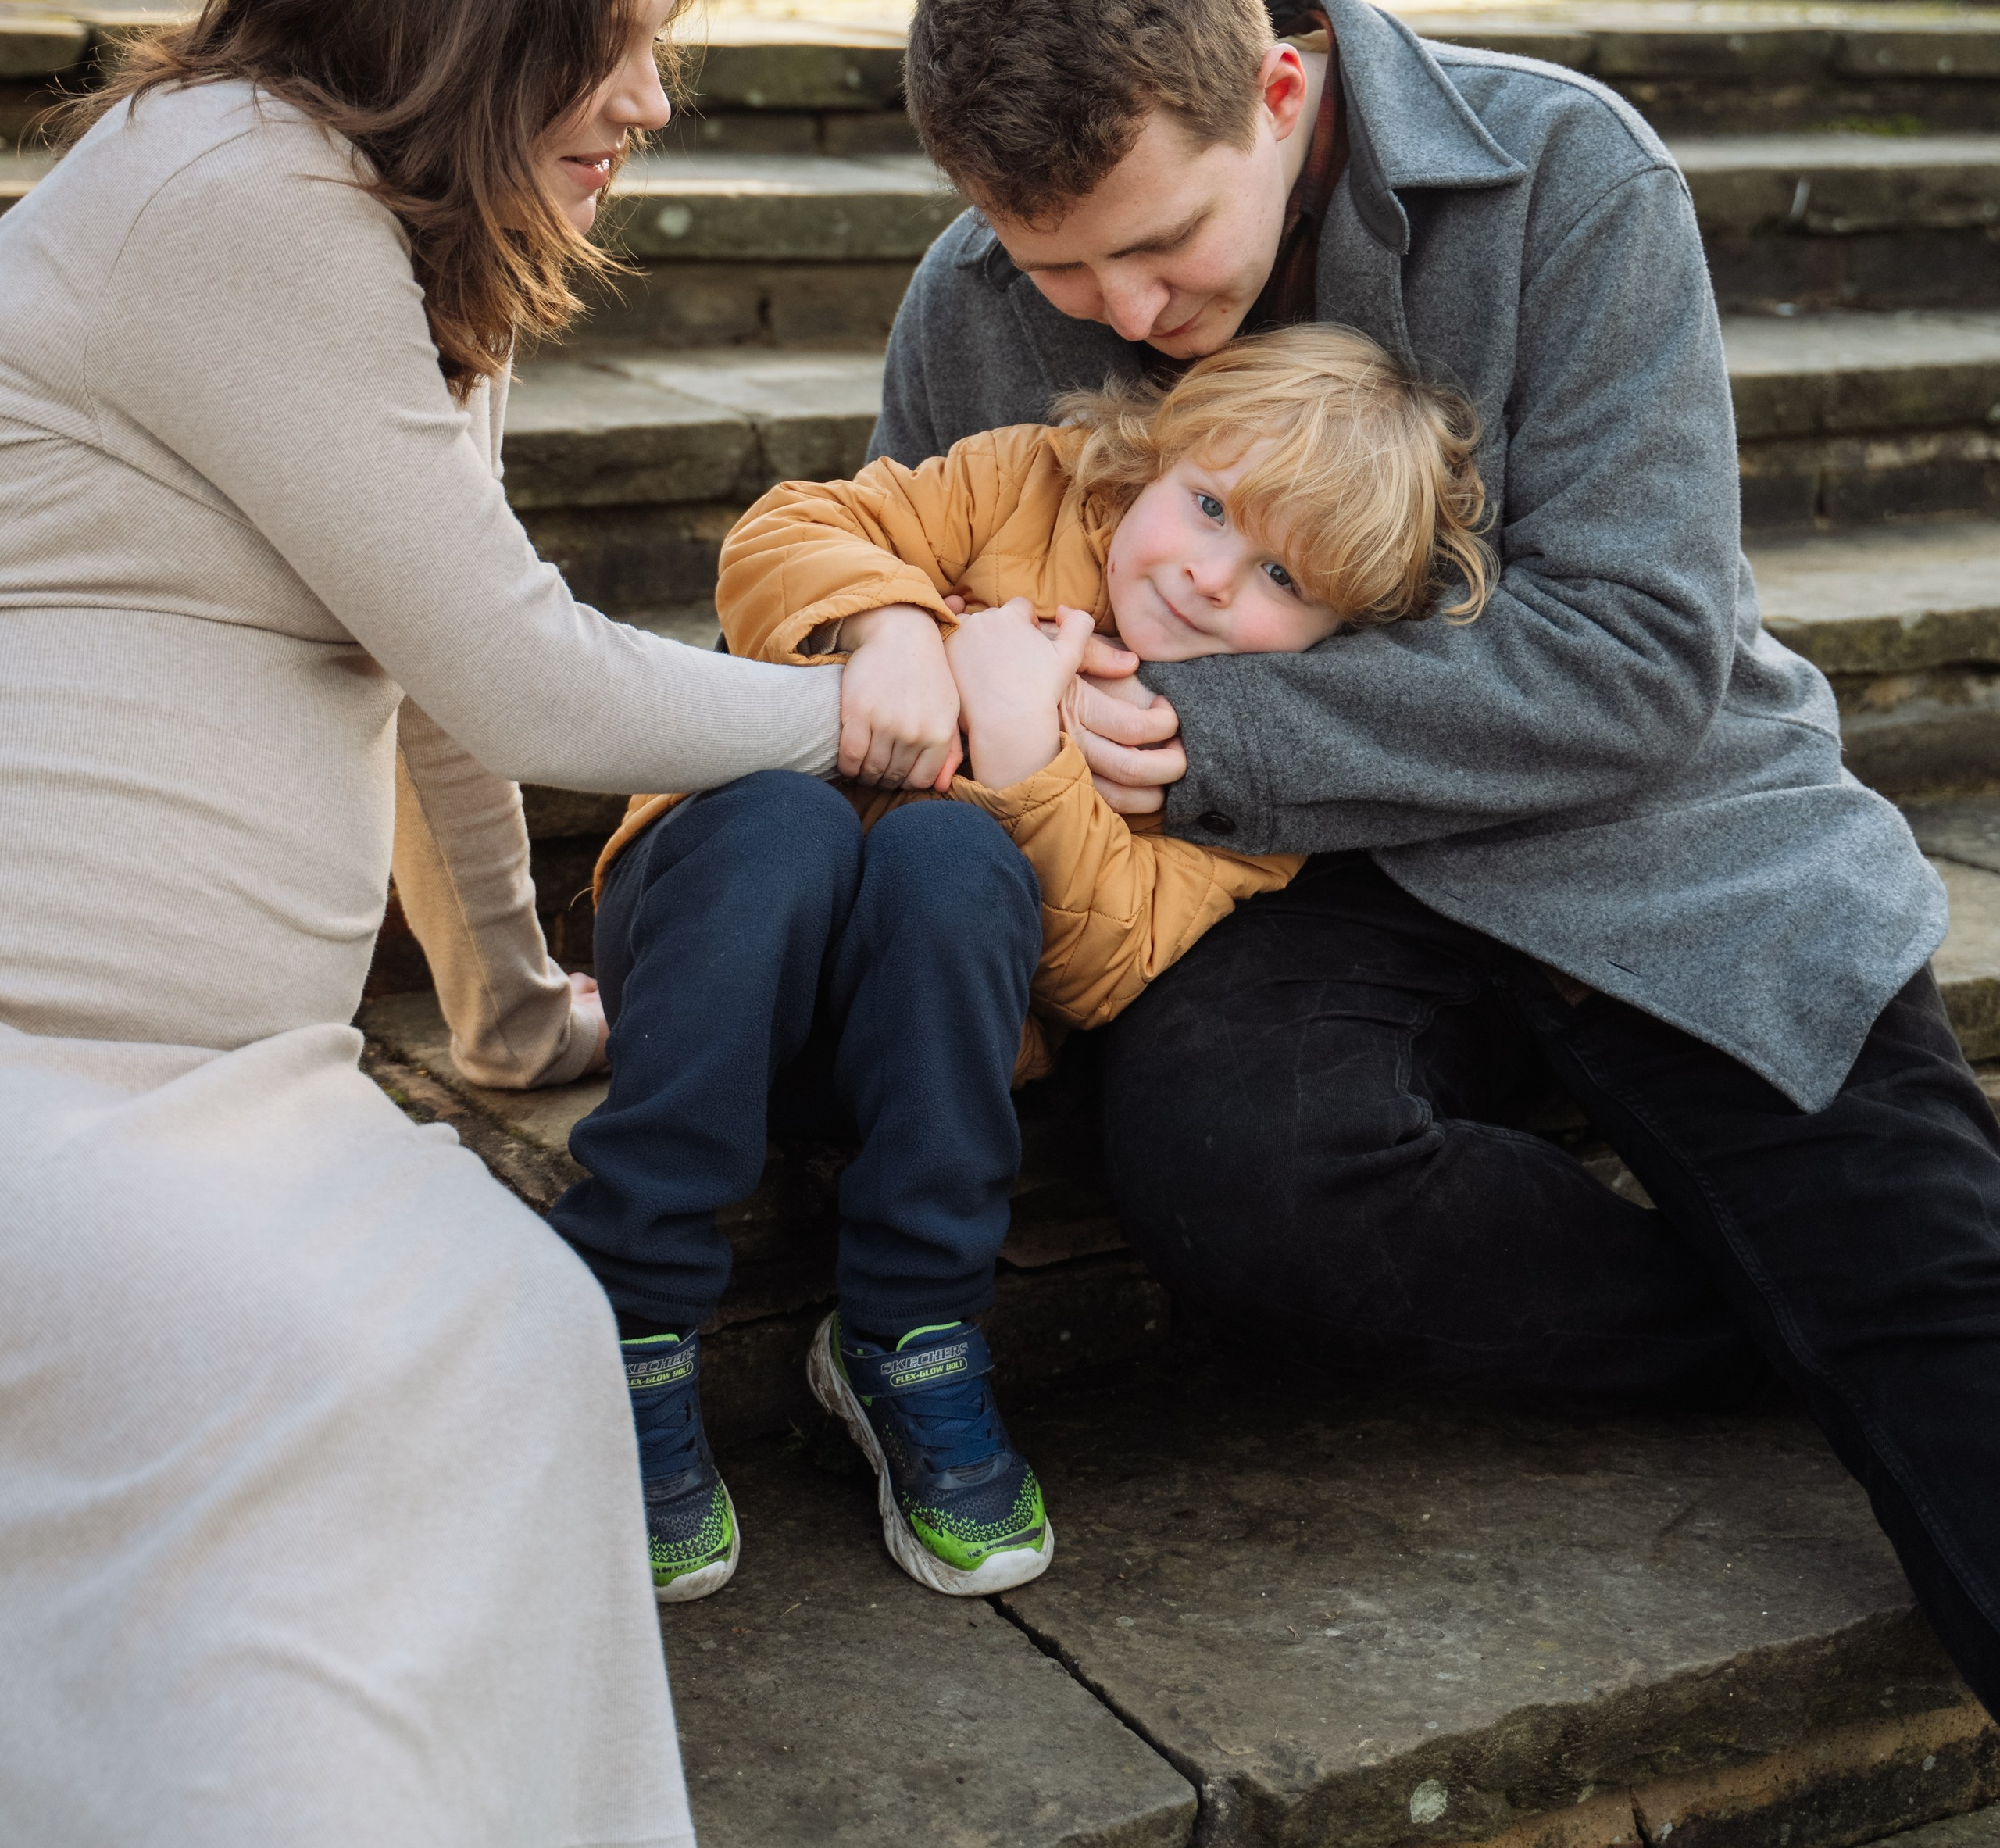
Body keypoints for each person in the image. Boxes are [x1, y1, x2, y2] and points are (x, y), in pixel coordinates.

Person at [863, 0, 2000, 1721]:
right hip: (1267, 895)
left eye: (1157, 246)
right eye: (1051, 262)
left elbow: (1638, 657)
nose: (1112, 308)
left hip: (1664, 837)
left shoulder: (1570, 174)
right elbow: (904, 567)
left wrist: (1208, 735)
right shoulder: (971, 304)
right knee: (1234, 1167)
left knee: (1934, 1321)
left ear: (1280, 93)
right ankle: (1787, 1324)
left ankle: (1865, 1310)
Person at [0, 0, 858, 1848]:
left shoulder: (385, 239)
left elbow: (439, 681)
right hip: (36, 1056)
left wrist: (496, 1001)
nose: (654, 102)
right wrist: (881, 712)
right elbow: (542, 676)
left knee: (506, 1333)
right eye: (616, 40)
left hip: (220, 1066)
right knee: (286, 1373)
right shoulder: (236, 198)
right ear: (454, 10)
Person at [554, 324, 1488, 1605]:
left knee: (954, 860)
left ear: (1335, 635)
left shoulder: (1262, 761)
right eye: (1207, 505)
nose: (1213, 576)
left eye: (1282, 575)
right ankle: (627, 1309)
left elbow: (1108, 968)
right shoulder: (1026, 481)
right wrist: (899, 632)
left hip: (911, 1043)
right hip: (707, 935)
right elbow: (784, 531)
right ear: (1149, 457)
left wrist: (1020, 744)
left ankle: (909, 1333)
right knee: (779, 816)